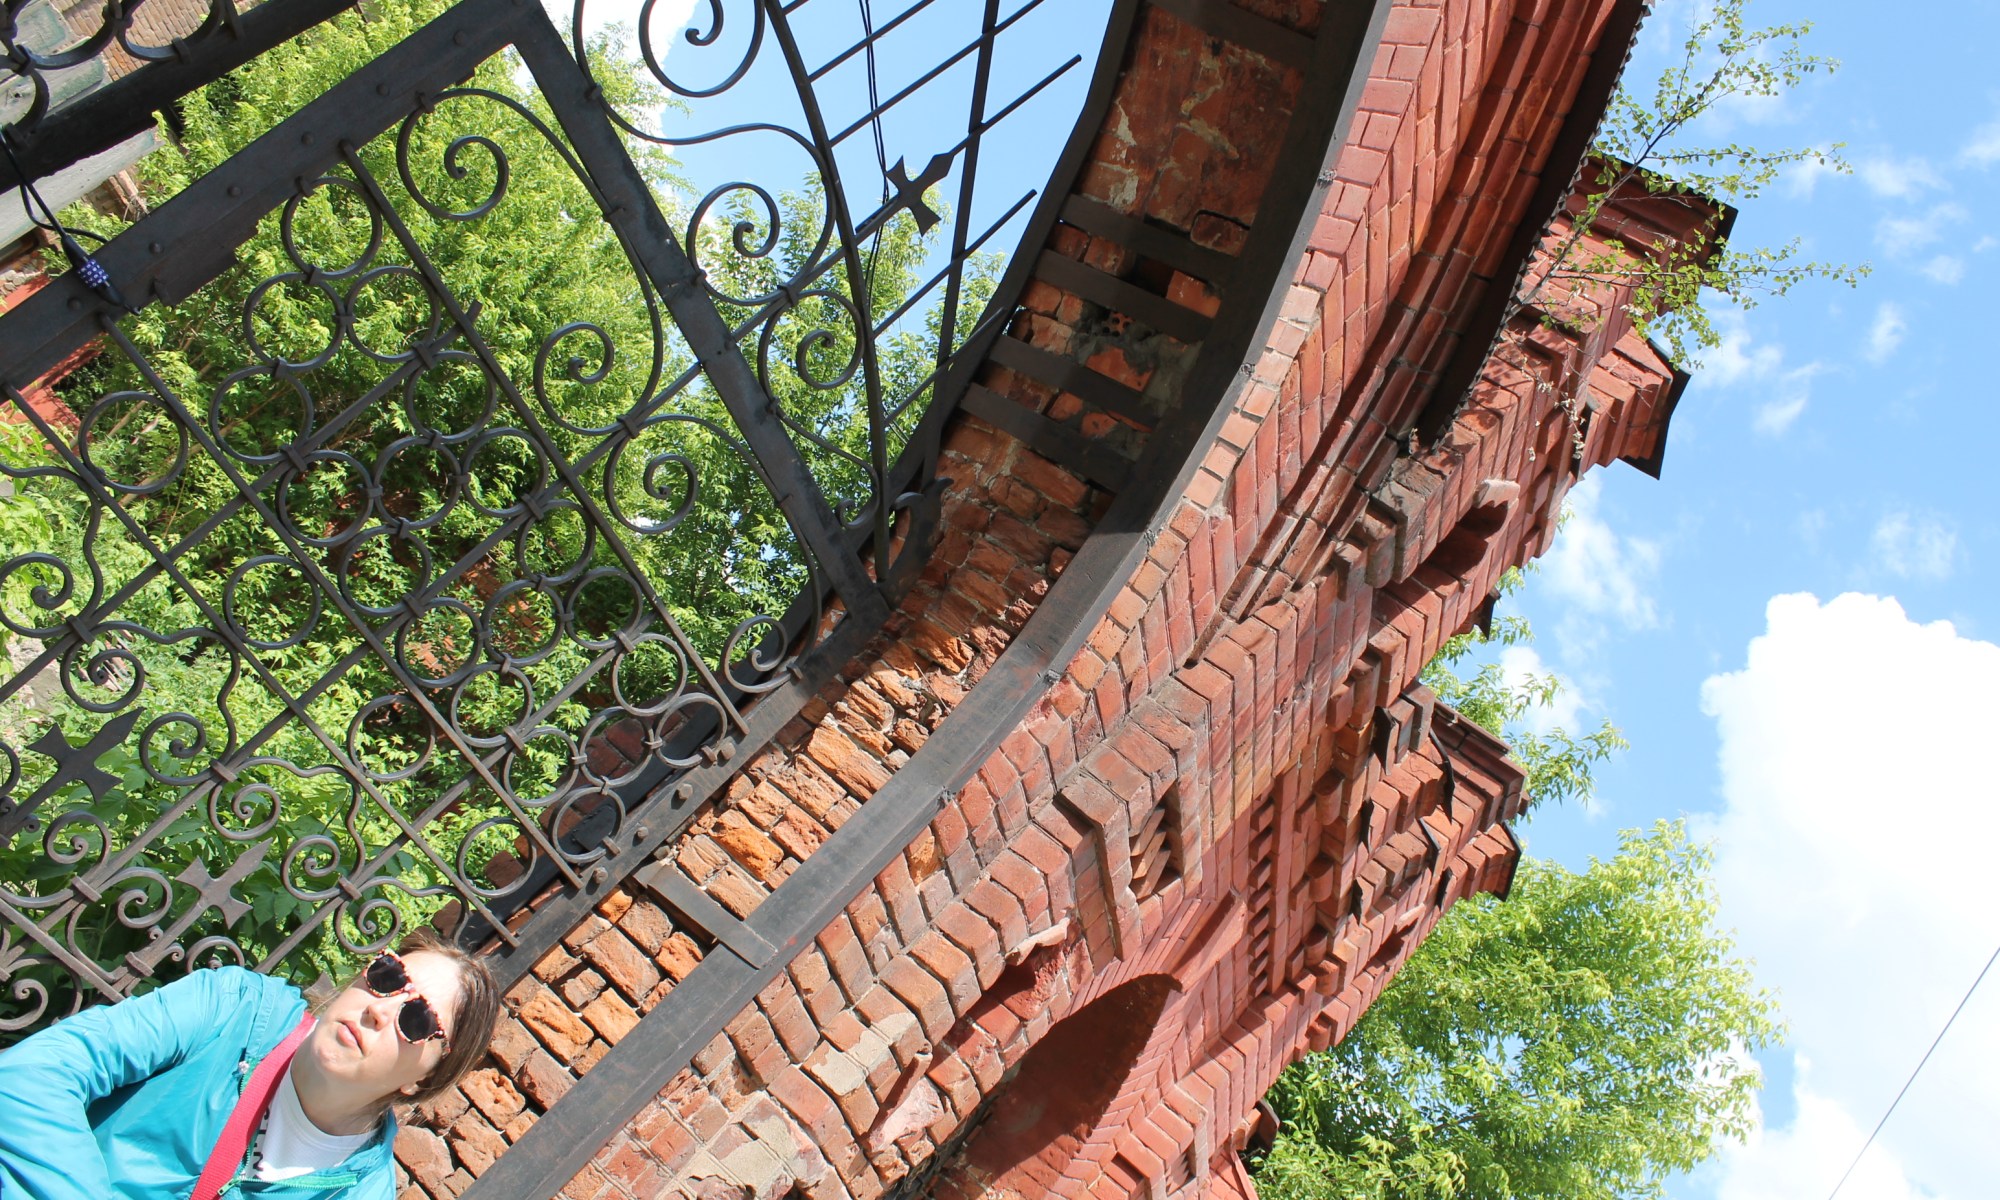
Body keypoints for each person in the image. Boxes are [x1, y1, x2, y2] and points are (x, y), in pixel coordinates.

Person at [0, 929, 501, 1200]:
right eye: (388, 977)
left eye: (415, 1020)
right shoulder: (233, 1010)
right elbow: (34, 1075)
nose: (378, 1008)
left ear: (424, 1079)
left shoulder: (358, 1193)